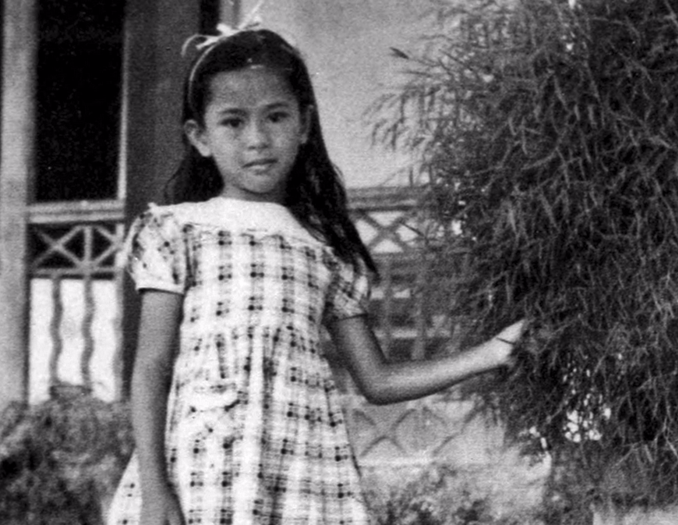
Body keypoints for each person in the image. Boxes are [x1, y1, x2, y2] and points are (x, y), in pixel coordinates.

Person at [107, 26, 526, 525]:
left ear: (304, 125)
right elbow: (152, 367)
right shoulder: (177, 230)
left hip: (303, 472)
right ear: (200, 137)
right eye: (233, 123)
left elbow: (377, 380)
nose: (258, 140)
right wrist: (156, 490)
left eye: (276, 117)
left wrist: (490, 353)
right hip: (204, 469)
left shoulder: (325, 250)